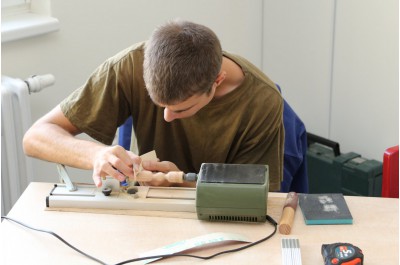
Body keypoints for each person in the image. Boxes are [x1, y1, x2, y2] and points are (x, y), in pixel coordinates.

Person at [23, 19, 284, 191]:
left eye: (180, 109)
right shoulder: (129, 65)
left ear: (217, 81)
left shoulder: (262, 101)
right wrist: (95, 155)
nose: (167, 117)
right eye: (159, 105)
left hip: (218, 217)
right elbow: (35, 137)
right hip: (145, 206)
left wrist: (179, 182)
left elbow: (257, 197)